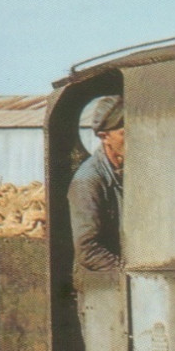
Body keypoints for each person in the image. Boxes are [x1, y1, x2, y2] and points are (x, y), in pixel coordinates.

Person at [68, 95, 125, 274]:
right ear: (104, 137)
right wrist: (127, 274)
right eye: (125, 133)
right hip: (104, 285)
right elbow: (87, 250)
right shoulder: (88, 179)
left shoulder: (133, 171)